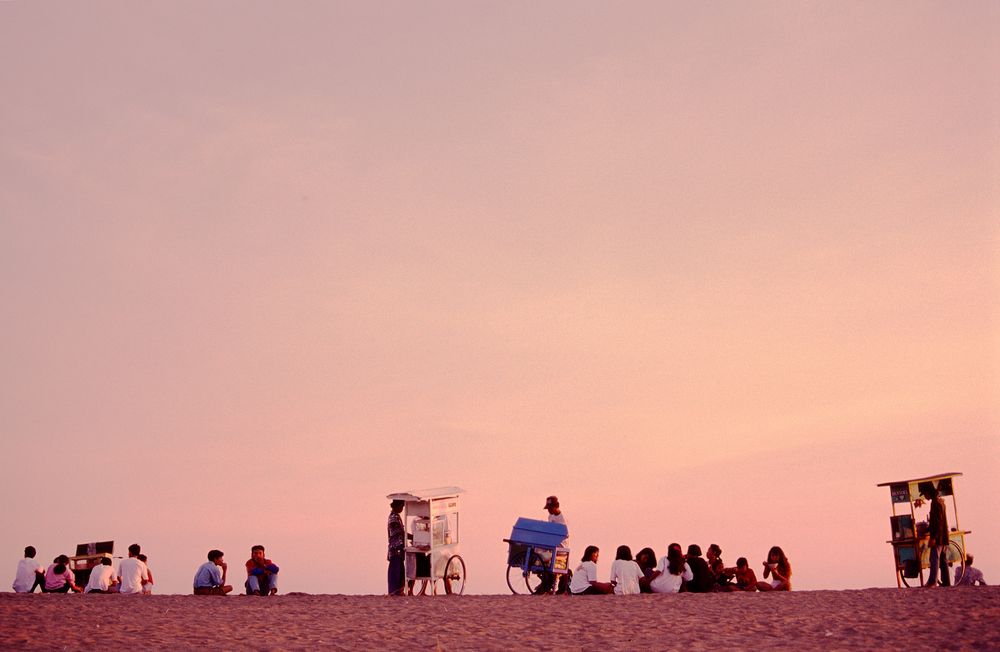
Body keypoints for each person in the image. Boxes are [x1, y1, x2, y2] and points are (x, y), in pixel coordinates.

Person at [919, 483, 950, 587]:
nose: (925, 496)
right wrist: (927, 529)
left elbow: (937, 522)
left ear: (929, 492)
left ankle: (932, 582)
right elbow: (936, 521)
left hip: (938, 536)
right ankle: (946, 582)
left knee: (934, 558)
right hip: (943, 535)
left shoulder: (935, 503)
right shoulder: (940, 501)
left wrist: (933, 537)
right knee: (943, 559)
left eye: (925, 494)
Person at [541, 495, 570, 594]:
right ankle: (549, 587)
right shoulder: (550, 516)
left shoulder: (562, 519)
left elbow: (565, 534)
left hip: (562, 546)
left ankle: (564, 589)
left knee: (562, 569)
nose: (549, 510)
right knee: (550, 567)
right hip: (552, 546)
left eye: (550, 508)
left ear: (556, 506)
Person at [387, 499, 406, 596]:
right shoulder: (393, 518)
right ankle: (395, 592)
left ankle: (397, 591)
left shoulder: (396, 516)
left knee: (399, 570)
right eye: (401, 506)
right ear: (397, 506)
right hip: (395, 549)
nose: (402, 508)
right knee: (396, 570)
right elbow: (400, 532)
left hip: (397, 548)